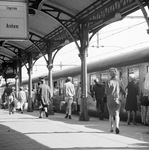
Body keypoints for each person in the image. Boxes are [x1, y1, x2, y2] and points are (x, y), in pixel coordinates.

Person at [105, 68, 125, 134]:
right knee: (117, 114)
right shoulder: (119, 82)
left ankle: (111, 128)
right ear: (116, 74)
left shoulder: (108, 82)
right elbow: (124, 91)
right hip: (117, 99)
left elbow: (106, 92)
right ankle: (117, 126)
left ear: (110, 74)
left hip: (110, 99)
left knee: (111, 114)